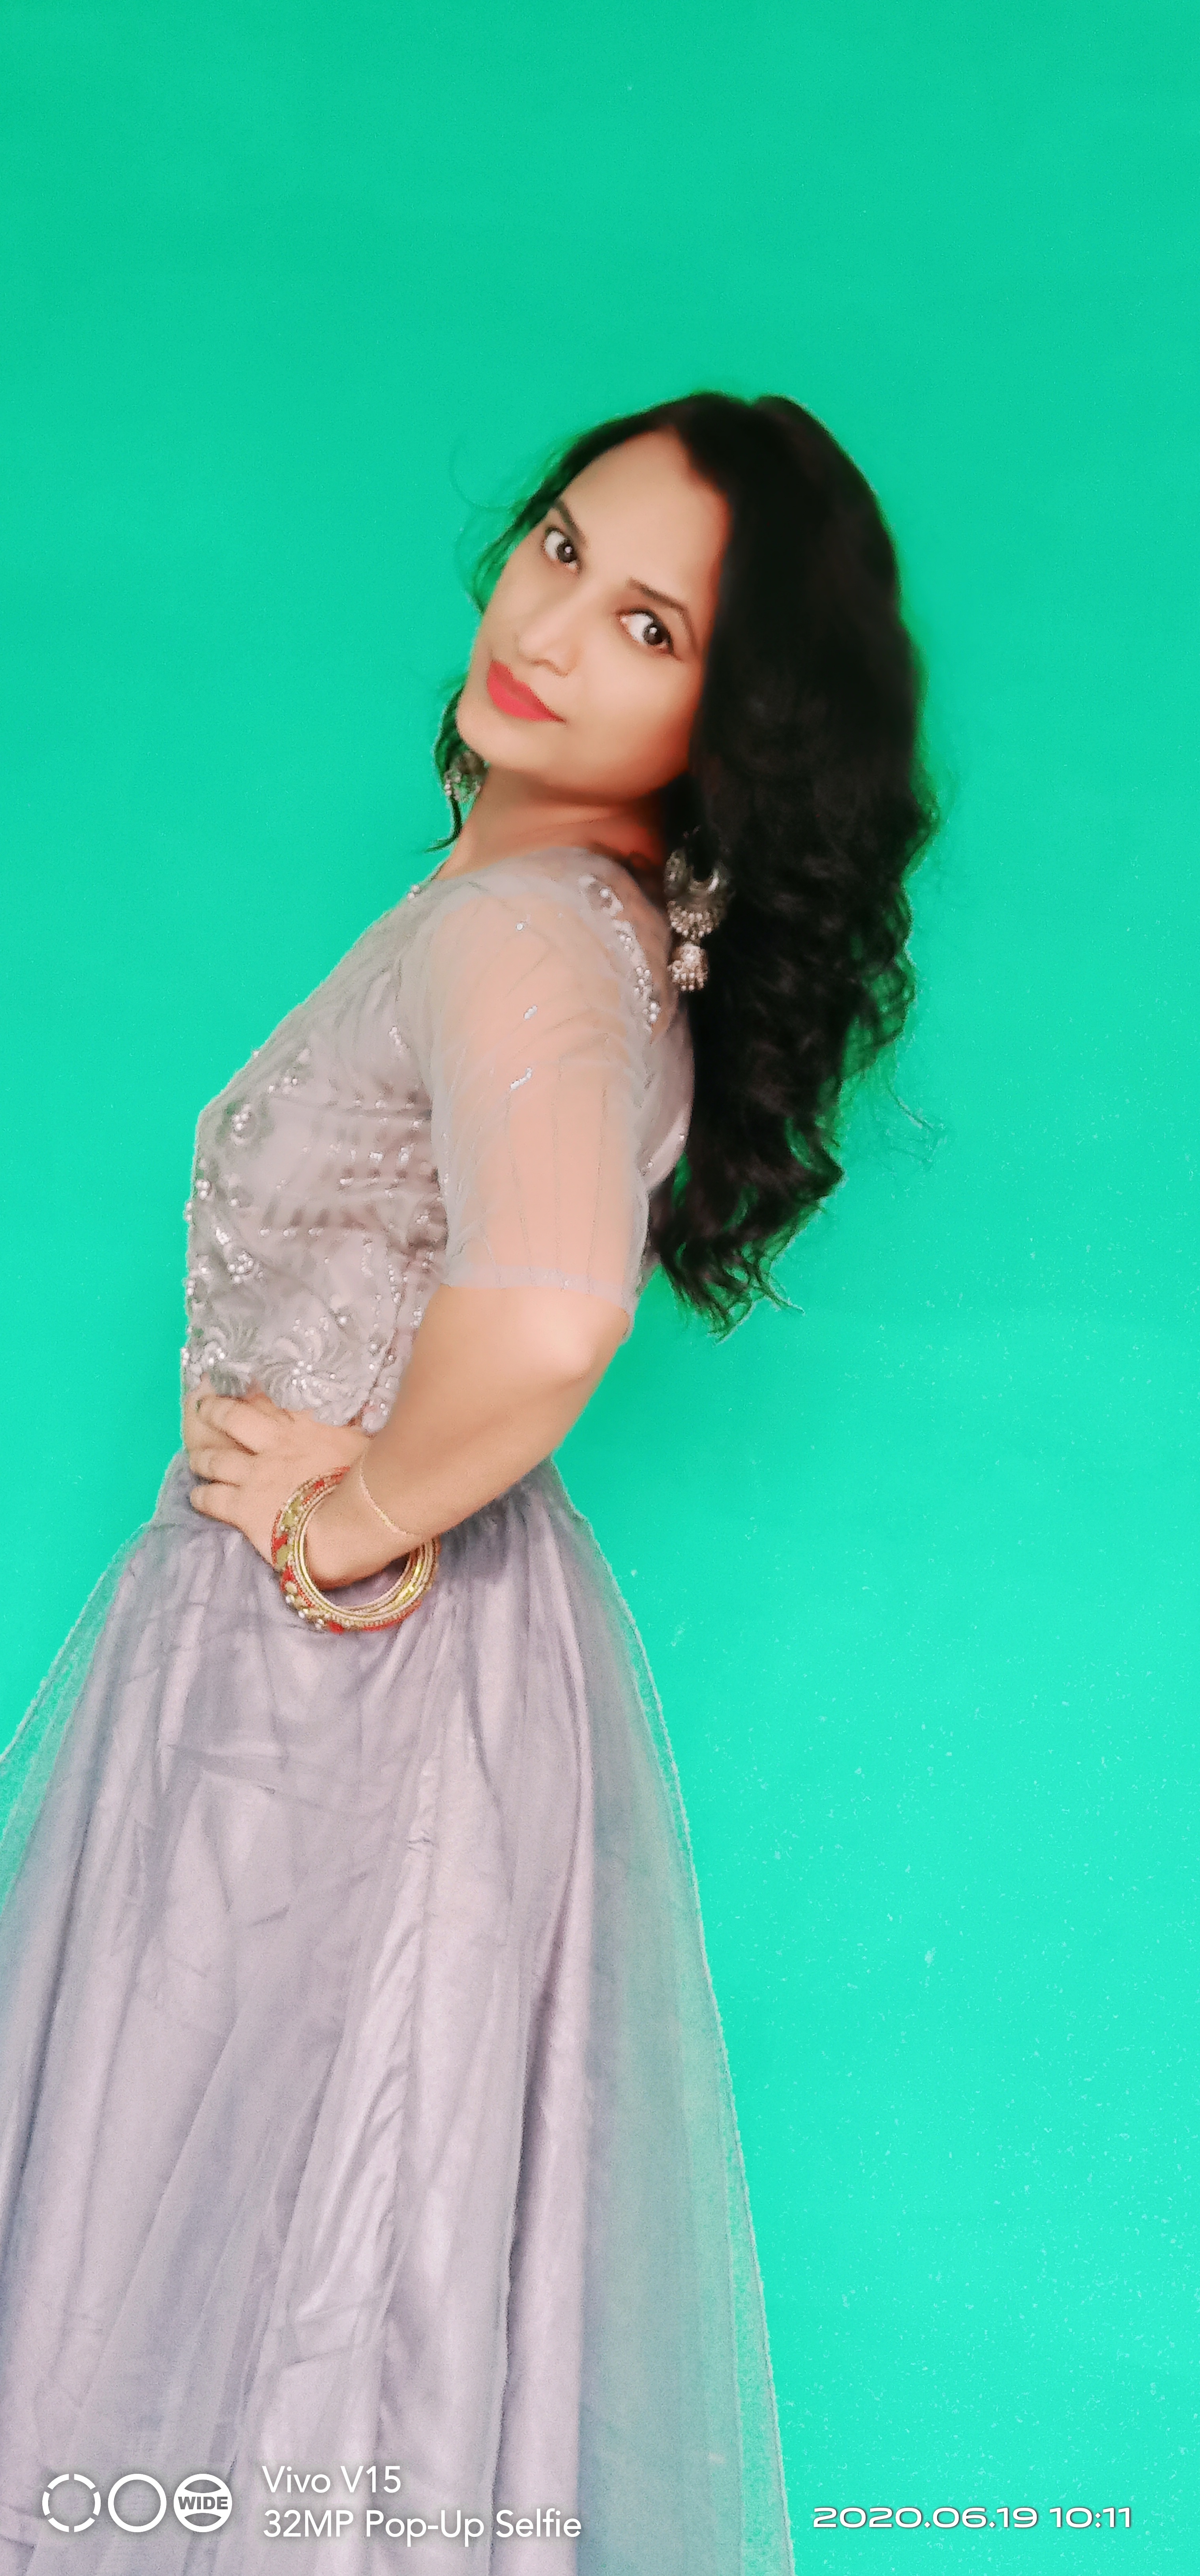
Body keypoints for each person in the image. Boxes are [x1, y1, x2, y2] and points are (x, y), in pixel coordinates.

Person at [0, 391, 936, 2574]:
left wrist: (340, 1523)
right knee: (303, 2275)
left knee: (284, 2276)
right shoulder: (547, 910)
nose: (551, 626)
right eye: (561, 546)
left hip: (330, 1686)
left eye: (650, 627)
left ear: (727, 726)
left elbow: (547, 1311)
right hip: (357, 1678)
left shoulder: (524, 934)